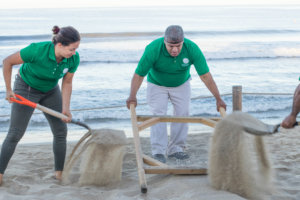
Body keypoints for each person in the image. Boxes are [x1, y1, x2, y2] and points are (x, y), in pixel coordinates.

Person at [126, 25, 226, 163]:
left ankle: (176, 149)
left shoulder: (192, 48)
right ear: (164, 42)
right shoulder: (153, 48)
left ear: (183, 42)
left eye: (178, 46)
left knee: (182, 113)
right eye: (170, 46)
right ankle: (158, 151)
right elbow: (139, 75)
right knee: (158, 114)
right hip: (156, 84)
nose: (174, 50)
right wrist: (132, 95)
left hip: (181, 84)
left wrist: (218, 98)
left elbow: (205, 76)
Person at [0, 25, 80, 185]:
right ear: (59, 45)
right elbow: (7, 62)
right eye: (71, 49)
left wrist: (66, 108)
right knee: (15, 133)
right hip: (26, 88)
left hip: (50, 90)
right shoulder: (37, 50)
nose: (74, 52)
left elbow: (67, 82)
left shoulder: (73, 59)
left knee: (60, 131)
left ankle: (59, 174)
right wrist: (9, 90)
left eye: (76, 48)